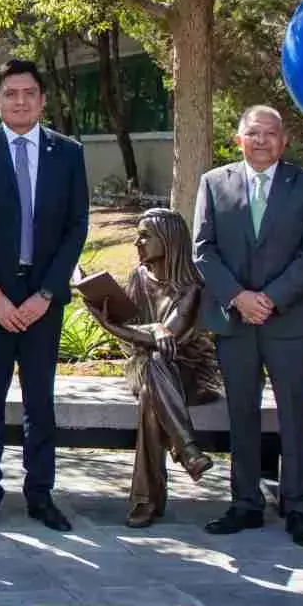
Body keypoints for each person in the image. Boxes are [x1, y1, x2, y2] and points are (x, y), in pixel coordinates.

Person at [0, 58, 89, 533]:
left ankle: (40, 493)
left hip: (42, 296)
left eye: (29, 92)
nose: (20, 101)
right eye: (10, 93)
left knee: (39, 400)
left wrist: (47, 293)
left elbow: (77, 227)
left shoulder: (67, 153)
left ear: (43, 99)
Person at [192, 106, 303, 546]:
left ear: (284, 141)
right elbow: (203, 250)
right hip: (235, 321)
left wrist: (270, 298)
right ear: (239, 139)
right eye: (254, 133)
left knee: (294, 414)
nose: (262, 141)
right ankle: (245, 502)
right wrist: (240, 297)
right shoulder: (214, 184)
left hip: (290, 321)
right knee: (242, 413)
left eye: (271, 134)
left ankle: (298, 507)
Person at [87, 208, 220, 528]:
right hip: (147, 365)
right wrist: (117, 323)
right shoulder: (138, 278)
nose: (137, 242)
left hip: (189, 375)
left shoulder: (191, 288)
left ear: (169, 240)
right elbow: (141, 336)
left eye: (145, 236)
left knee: (153, 379)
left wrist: (115, 327)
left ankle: (147, 500)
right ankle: (187, 450)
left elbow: (167, 337)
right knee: (152, 366)